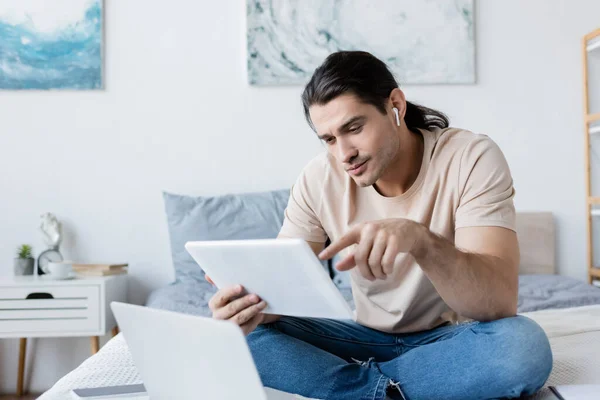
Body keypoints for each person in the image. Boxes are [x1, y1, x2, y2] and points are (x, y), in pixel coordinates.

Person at [206, 51, 552, 400]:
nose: (344, 154)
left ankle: (352, 387)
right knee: (239, 337)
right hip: (358, 336)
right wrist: (249, 306)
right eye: (328, 139)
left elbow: (497, 303)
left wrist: (420, 240)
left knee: (522, 346)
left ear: (395, 106)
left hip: (449, 340)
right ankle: (384, 389)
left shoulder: (470, 157)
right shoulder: (318, 178)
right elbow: (279, 293)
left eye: (353, 128)